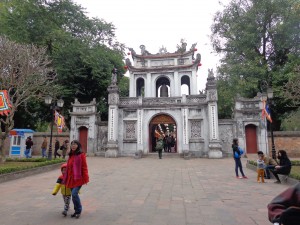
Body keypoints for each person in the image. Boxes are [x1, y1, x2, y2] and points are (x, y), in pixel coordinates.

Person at [63, 140, 89, 218]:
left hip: (78, 178)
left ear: (78, 146)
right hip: (71, 179)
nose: (73, 146)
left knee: (74, 194)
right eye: (72, 144)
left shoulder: (81, 155)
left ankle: (78, 210)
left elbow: (84, 167)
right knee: (74, 196)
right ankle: (76, 211)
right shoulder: (70, 155)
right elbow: (68, 167)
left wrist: (86, 177)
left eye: (75, 144)